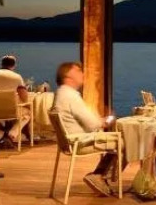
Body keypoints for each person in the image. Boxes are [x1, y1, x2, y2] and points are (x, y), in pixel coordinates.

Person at [51, 61, 124, 197]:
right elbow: (92, 124)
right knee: (123, 143)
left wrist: (99, 121)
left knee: (117, 140)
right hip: (80, 142)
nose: (82, 74)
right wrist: (105, 121)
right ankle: (99, 176)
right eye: (78, 71)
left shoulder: (60, 94)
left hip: (68, 142)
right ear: (68, 76)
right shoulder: (71, 96)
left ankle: (100, 176)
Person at [0, 55, 30, 146]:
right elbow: (24, 98)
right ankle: (12, 134)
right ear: (14, 65)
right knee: (27, 114)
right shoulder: (16, 77)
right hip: (11, 112)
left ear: (1, 64)